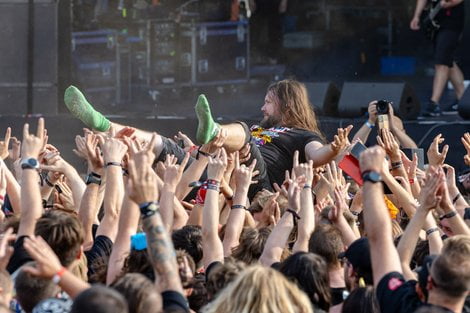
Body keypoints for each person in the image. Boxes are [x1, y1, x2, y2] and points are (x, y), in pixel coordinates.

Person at [63, 79, 351, 199]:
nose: (263, 108)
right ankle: (102, 122)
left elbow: (316, 155)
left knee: (246, 135)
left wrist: (333, 149)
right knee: (162, 144)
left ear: (287, 106)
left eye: (268, 103)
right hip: (220, 168)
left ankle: (217, 131)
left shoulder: (303, 134)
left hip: (258, 184)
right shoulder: (262, 128)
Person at [410, 0, 465, 116]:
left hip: (452, 22)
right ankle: (463, 99)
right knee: (447, 60)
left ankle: (434, 103)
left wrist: (450, 3)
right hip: (436, 21)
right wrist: (416, 16)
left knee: (442, 62)